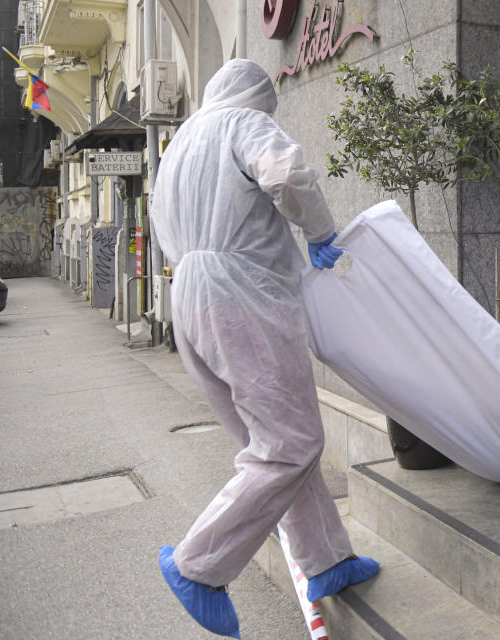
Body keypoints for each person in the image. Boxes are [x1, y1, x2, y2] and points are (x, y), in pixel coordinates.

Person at [150, 58, 378, 638]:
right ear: (257, 97)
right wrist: (321, 231)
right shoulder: (243, 122)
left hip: (190, 295)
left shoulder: (180, 144)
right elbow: (287, 175)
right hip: (243, 292)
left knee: (275, 444)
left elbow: (160, 226)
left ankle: (327, 560)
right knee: (289, 444)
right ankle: (198, 565)